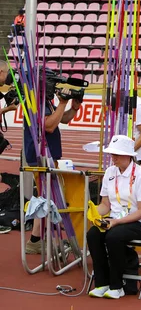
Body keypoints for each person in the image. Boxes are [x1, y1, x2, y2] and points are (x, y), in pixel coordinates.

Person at [87, 135, 141, 299]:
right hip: (115, 221)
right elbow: (105, 205)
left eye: (116, 154)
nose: (113, 158)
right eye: (112, 154)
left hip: (140, 223)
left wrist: (116, 222)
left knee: (113, 236)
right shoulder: (110, 172)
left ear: (128, 155)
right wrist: (93, 211)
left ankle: (117, 286)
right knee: (93, 234)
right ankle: (102, 283)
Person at [24, 87, 82, 254]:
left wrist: (73, 107)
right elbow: (48, 126)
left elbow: (61, 119)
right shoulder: (34, 102)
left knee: (46, 197)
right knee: (48, 198)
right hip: (40, 157)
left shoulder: (45, 101)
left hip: (49, 156)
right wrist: (63, 103)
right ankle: (35, 240)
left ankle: (36, 239)